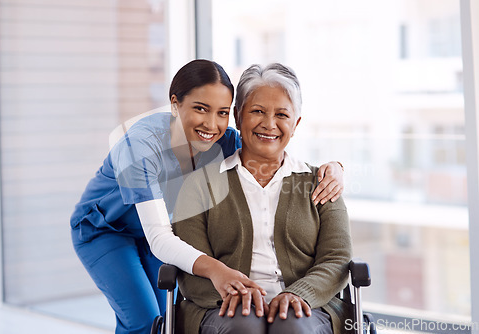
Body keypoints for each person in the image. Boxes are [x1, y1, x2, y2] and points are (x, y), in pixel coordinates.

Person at [70, 59, 344, 334]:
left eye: (222, 112)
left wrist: (335, 169)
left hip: (164, 229)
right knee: (143, 320)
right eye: (200, 109)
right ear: (175, 104)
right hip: (106, 230)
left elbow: (269, 147)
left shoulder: (222, 139)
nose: (212, 124)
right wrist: (217, 270)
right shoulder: (140, 146)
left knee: (166, 318)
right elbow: (159, 239)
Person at [172, 63, 352, 334]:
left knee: (292, 325)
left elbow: (337, 258)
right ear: (237, 117)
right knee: (244, 325)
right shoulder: (199, 185)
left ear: (296, 124)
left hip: (309, 308)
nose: (269, 124)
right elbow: (190, 262)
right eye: (257, 111)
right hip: (222, 307)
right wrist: (236, 294)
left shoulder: (323, 183)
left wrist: (300, 294)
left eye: (282, 114)